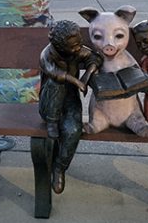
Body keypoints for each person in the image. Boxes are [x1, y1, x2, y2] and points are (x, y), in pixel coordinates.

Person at [38, 20, 102, 194]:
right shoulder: (47, 54)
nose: (77, 49)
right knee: (56, 83)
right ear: (58, 45)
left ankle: (60, 168)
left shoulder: (77, 50)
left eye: (78, 45)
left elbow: (95, 58)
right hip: (49, 104)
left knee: (73, 130)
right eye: (72, 47)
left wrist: (87, 75)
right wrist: (76, 81)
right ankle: (52, 121)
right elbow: (54, 73)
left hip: (70, 101)